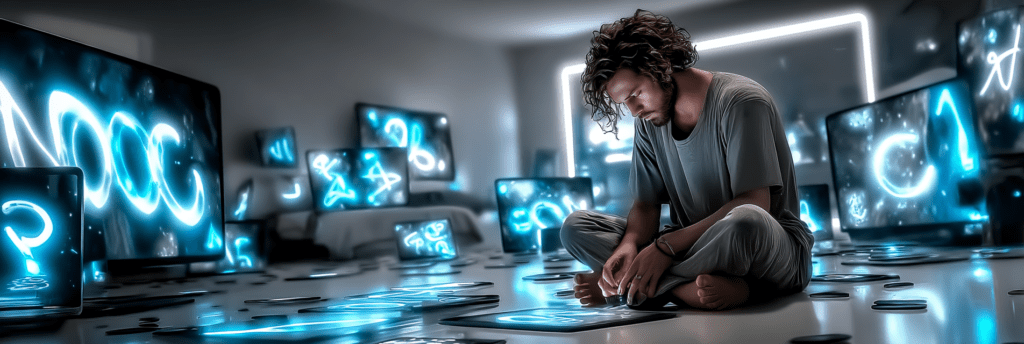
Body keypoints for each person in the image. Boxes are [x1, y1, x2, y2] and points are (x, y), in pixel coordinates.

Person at [562, 9, 813, 310]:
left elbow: (756, 202)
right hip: (691, 246)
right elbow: (645, 205)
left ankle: (640, 288)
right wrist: (630, 245)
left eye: (636, 94)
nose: (634, 111)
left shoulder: (742, 102)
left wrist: (664, 248)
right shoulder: (648, 122)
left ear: (662, 67)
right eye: (624, 102)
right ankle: (682, 288)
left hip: (766, 248)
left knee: (746, 220)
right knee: (576, 227)